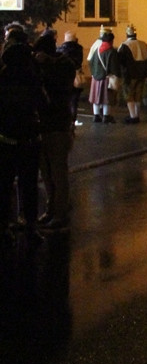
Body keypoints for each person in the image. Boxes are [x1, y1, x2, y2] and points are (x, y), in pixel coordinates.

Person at [0, 40, 47, 233]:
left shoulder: (2, 78)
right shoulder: (31, 78)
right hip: (29, 141)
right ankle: (30, 225)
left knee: (4, 185)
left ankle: (5, 226)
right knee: (29, 186)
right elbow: (44, 104)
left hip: (5, 140)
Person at [33, 30, 76, 229]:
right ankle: (51, 209)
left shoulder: (63, 66)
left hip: (58, 126)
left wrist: (47, 63)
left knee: (58, 173)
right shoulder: (44, 67)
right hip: (44, 126)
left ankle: (60, 213)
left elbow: (60, 83)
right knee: (47, 172)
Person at [118, 24, 147, 124]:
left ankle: (133, 116)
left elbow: (121, 61)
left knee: (129, 95)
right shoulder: (143, 44)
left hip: (130, 75)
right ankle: (137, 115)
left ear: (126, 34)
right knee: (138, 95)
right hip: (142, 74)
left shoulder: (124, 46)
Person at [88, 29, 120, 122]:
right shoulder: (112, 51)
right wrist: (116, 75)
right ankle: (106, 116)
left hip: (96, 78)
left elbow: (91, 62)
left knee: (96, 98)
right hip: (107, 78)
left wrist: (94, 73)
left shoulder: (97, 50)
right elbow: (114, 67)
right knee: (107, 99)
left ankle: (96, 115)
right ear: (111, 41)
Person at [59, 30, 85, 126]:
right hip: (76, 77)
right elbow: (79, 62)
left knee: (65, 101)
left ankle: (65, 122)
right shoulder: (79, 49)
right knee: (74, 101)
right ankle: (73, 122)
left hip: (64, 78)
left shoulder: (60, 49)